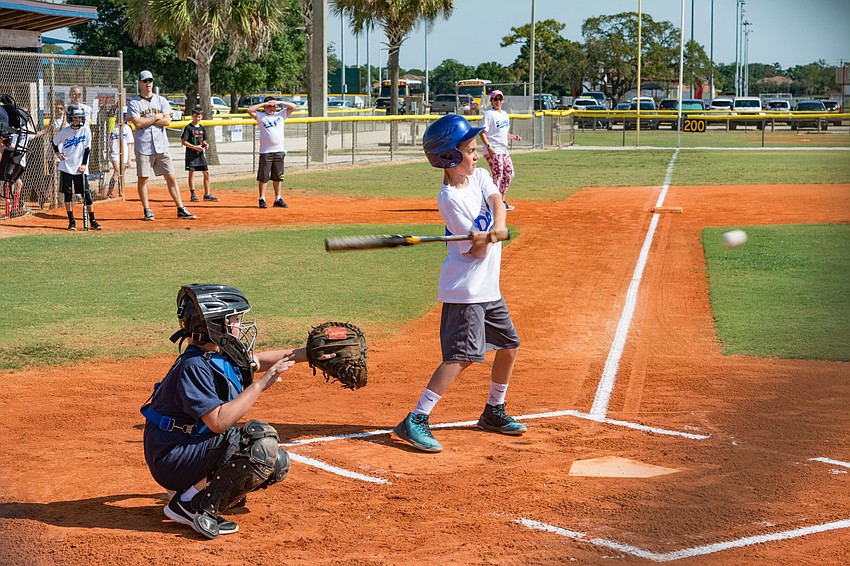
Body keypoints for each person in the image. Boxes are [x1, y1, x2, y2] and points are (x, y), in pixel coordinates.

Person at [141, 284, 333, 539]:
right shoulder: (194, 366)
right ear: (214, 325)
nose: (239, 325)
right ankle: (189, 504)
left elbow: (259, 360)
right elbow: (218, 422)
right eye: (233, 319)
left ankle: (193, 491)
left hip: (186, 446)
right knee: (258, 443)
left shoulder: (216, 353)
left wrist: (309, 354)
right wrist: (260, 385)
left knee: (275, 462)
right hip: (171, 457)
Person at [393, 114, 524, 453]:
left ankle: (493, 411)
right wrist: (484, 239)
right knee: (461, 356)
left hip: (488, 289)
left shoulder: (478, 176)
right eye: (470, 150)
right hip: (466, 289)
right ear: (450, 157)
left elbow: (497, 200)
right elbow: (476, 252)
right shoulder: (449, 199)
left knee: (509, 346)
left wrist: (496, 226)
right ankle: (416, 418)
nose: (477, 154)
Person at [127, 70, 195, 221]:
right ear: (140, 83)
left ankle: (180, 208)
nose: (148, 83)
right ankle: (147, 210)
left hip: (161, 146)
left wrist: (149, 120)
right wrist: (157, 117)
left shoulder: (161, 100)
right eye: (145, 81)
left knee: (171, 177)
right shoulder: (134, 102)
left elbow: (167, 121)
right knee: (143, 178)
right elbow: (137, 123)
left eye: (150, 80)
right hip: (144, 147)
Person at [52, 104, 101, 230]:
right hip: (66, 167)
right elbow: (54, 142)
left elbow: (87, 149)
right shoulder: (65, 131)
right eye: (75, 118)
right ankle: (71, 221)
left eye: (79, 118)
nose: (77, 120)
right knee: (68, 195)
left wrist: (84, 164)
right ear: (70, 118)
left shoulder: (85, 130)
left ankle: (93, 221)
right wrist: (58, 153)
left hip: (80, 168)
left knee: (86, 194)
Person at [246, 96, 296, 209]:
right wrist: (264, 104)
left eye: (273, 106)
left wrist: (278, 102)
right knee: (264, 177)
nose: (271, 108)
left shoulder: (281, 115)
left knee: (278, 176)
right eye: (269, 106)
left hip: (279, 150)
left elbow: (293, 107)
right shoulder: (261, 116)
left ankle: (278, 198)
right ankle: (262, 199)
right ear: (265, 107)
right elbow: (249, 110)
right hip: (266, 151)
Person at [477, 90, 522, 211]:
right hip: (493, 149)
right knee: (498, 175)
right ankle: (493, 204)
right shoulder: (489, 114)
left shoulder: (504, 114)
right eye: (495, 99)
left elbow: (502, 132)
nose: (498, 101)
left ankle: (501, 200)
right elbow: (482, 132)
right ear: (491, 101)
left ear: (503, 100)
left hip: (503, 149)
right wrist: (488, 146)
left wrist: (513, 137)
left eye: (500, 99)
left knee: (509, 174)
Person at [180, 106, 218, 203]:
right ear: (192, 116)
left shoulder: (202, 128)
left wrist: (205, 144)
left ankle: (207, 194)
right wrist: (194, 147)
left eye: (199, 116)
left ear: (202, 117)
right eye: (195, 116)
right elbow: (183, 141)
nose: (197, 118)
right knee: (191, 173)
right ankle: (193, 194)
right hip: (191, 154)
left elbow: (203, 140)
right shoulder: (189, 128)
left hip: (200, 154)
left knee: (206, 172)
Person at [107, 109, 134, 199]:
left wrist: (129, 159)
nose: (124, 117)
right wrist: (108, 147)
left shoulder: (127, 128)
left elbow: (129, 144)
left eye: (125, 115)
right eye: (123, 115)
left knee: (121, 174)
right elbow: (108, 139)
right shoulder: (112, 127)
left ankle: (121, 192)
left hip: (124, 153)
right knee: (117, 171)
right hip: (114, 152)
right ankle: (110, 192)